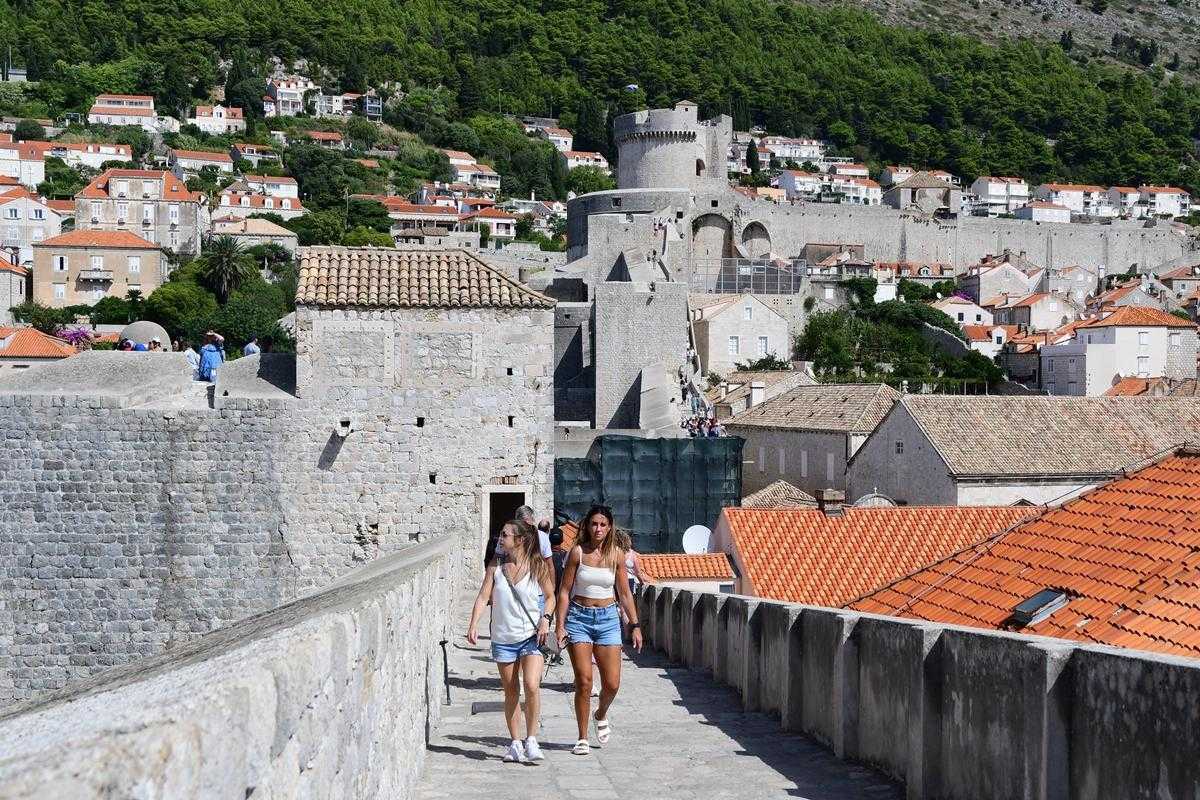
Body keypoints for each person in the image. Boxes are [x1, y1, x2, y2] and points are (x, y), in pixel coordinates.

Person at [466, 519, 556, 765]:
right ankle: (515, 742)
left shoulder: (537, 566)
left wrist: (546, 620)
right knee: (511, 691)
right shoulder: (495, 566)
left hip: (531, 635)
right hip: (503, 638)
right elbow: (484, 595)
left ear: (520, 540)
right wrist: (473, 624)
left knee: (531, 685)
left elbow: (550, 597)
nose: (500, 538)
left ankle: (532, 739)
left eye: (504, 535)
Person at [555, 505, 642, 756]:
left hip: (608, 620)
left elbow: (624, 593)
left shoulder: (616, 555)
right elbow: (563, 591)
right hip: (579, 619)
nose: (598, 529)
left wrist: (634, 625)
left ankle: (601, 713)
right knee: (584, 681)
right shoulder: (577, 553)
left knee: (612, 684)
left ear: (610, 527)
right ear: (587, 526)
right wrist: (559, 625)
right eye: (594, 524)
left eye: (603, 524)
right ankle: (582, 737)